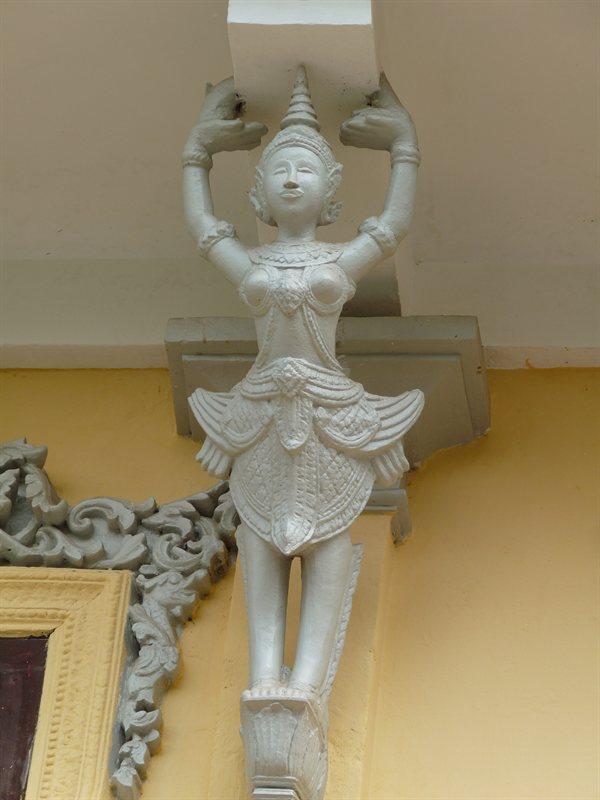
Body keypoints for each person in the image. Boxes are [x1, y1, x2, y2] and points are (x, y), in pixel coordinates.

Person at [183, 66, 424, 713]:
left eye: (306, 170)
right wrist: (196, 154)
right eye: (281, 171)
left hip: (328, 411)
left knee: (327, 535)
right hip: (261, 410)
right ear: (259, 194)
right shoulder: (253, 263)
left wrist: (404, 147)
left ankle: (308, 683)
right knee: (261, 535)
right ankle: (265, 672)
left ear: (330, 195)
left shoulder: (337, 260)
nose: (292, 178)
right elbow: (204, 228)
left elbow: (393, 224)